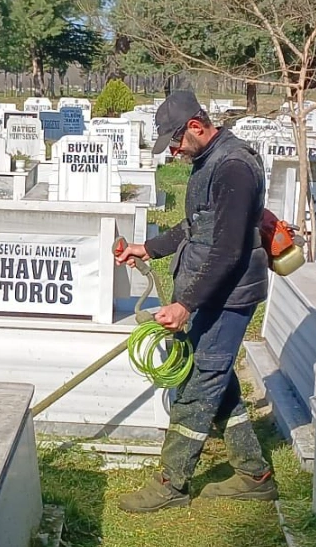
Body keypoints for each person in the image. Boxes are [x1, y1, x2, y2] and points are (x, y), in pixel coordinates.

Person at [112, 91, 274, 513]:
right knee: (216, 376)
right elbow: (195, 225)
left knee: (199, 382)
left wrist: (185, 304)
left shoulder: (234, 167)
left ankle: (172, 481)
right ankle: (253, 473)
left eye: (175, 141)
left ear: (196, 127)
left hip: (228, 293)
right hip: (211, 289)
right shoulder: (209, 161)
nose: (173, 150)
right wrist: (148, 249)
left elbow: (228, 251)